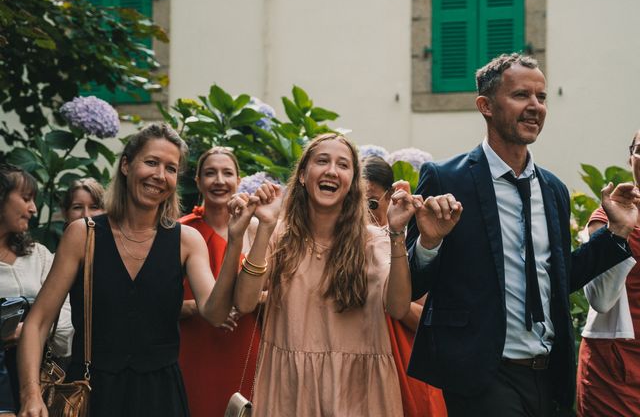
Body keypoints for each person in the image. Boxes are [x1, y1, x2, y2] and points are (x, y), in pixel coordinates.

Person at [405, 53, 640, 416]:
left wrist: (617, 233)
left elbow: (561, 278)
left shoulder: (554, 190)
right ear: (485, 105)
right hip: (481, 375)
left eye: (541, 97)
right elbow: (411, 282)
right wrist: (429, 243)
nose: (535, 107)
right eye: (521, 96)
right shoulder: (445, 179)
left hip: (547, 375)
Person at [17, 123, 236, 417]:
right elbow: (38, 323)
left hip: (162, 398)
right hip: (93, 395)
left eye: (171, 168)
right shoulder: (84, 235)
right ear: (126, 165)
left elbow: (215, 312)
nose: (160, 176)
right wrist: (31, 394)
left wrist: (237, 240)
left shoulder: (186, 240)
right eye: (151, 162)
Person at [221, 133, 429, 416]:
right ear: (304, 175)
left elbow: (398, 306)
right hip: (290, 389)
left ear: (352, 184)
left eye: (343, 165)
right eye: (322, 161)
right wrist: (266, 226)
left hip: (357, 392)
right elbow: (244, 303)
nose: (332, 170)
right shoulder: (276, 233)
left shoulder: (372, 241)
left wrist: (395, 233)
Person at [178, 147, 260, 417]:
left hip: (245, 343)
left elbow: (280, 291)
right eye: (210, 173)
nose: (219, 180)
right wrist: (201, 307)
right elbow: (155, 301)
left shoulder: (256, 229)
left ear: (239, 180)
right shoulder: (181, 230)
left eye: (227, 173)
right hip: (196, 347)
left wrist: (247, 301)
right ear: (198, 181)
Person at [361, 156, 446, 417]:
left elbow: (427, 319)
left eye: (372, 203)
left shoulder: (409, 244)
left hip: (405, 366)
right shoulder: (343, 243)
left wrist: (385, 294)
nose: (364, 212)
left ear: (390, 197)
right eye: (356, 203)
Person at [576, 129, 640, 416]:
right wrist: (620, 231)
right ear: (631, 159)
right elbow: (600, 299)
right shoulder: (608, 216)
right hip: (616, 369)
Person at [0, 165, 73, 413]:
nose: (33, 209)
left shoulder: (38, 256)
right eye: (26, 198)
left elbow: (65, 321)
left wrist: (28, 332)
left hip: (38, 385)